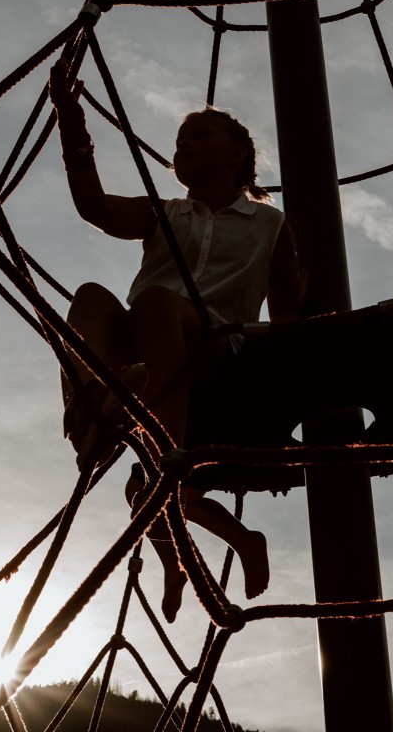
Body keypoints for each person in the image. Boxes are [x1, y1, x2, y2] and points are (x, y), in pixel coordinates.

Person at [49, 57, 300, 621]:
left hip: (213, 346)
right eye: (179, 141)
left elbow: (290, 316)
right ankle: (91, 405)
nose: (182, 145)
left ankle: (166, 467)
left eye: (198, 137)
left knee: (147, 486)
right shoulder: (166, 213)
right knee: (90, 296)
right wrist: (72, 122)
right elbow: (94, 206)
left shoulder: (269, 225)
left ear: (237, 154)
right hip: (143, 343)